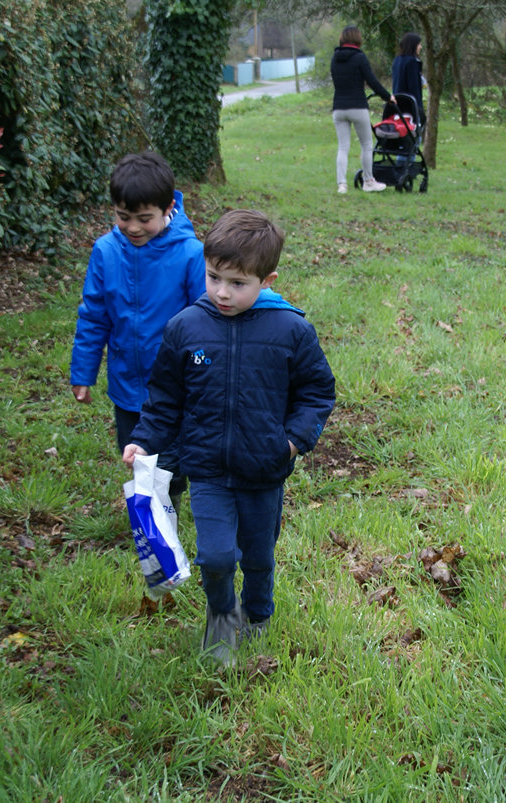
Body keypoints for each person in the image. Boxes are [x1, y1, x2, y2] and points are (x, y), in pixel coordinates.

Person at [123, 210, 337, 667]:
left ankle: (258, 612)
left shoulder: (291, 331)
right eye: (214, 277)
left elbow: (317, 392)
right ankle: (222, 616)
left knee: (258, 555)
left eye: (238, 283)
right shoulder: (186, 328)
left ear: (266, 280)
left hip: (264, 469)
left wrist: (292, 442)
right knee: (217, 556)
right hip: (206, 470)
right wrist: (144, 440)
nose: (222, 292)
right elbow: (165, 399)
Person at [70, 152, 206, 508]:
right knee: (135, 454)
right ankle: (150, 508)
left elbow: (205, 321)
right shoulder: (105, 251)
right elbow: (94, 315)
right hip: (127, 383)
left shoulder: (190, 254)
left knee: (170, 462)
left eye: (144, 219)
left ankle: (168, 505)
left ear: (168, 208)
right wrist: (83, 372)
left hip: (175, 385)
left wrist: (204, 373)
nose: (132, 227)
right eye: (123, 216)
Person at [330, 25, 395, 194]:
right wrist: (388, 97)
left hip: (338, 108)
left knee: (343, 146)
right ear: (357, 39)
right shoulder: (360, 57)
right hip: (358, 106)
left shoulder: (335, 58)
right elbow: (372, 81)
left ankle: (342, 185)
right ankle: (368, 181)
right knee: (366, 144)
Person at [392, 32, 424, 122]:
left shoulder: (397, 60)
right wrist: (419, 109)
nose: (420, 47)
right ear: (413, 45)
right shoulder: (412, 62)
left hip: (398, 103)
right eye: (419, 44)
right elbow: (414, 87)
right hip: (409, 106)